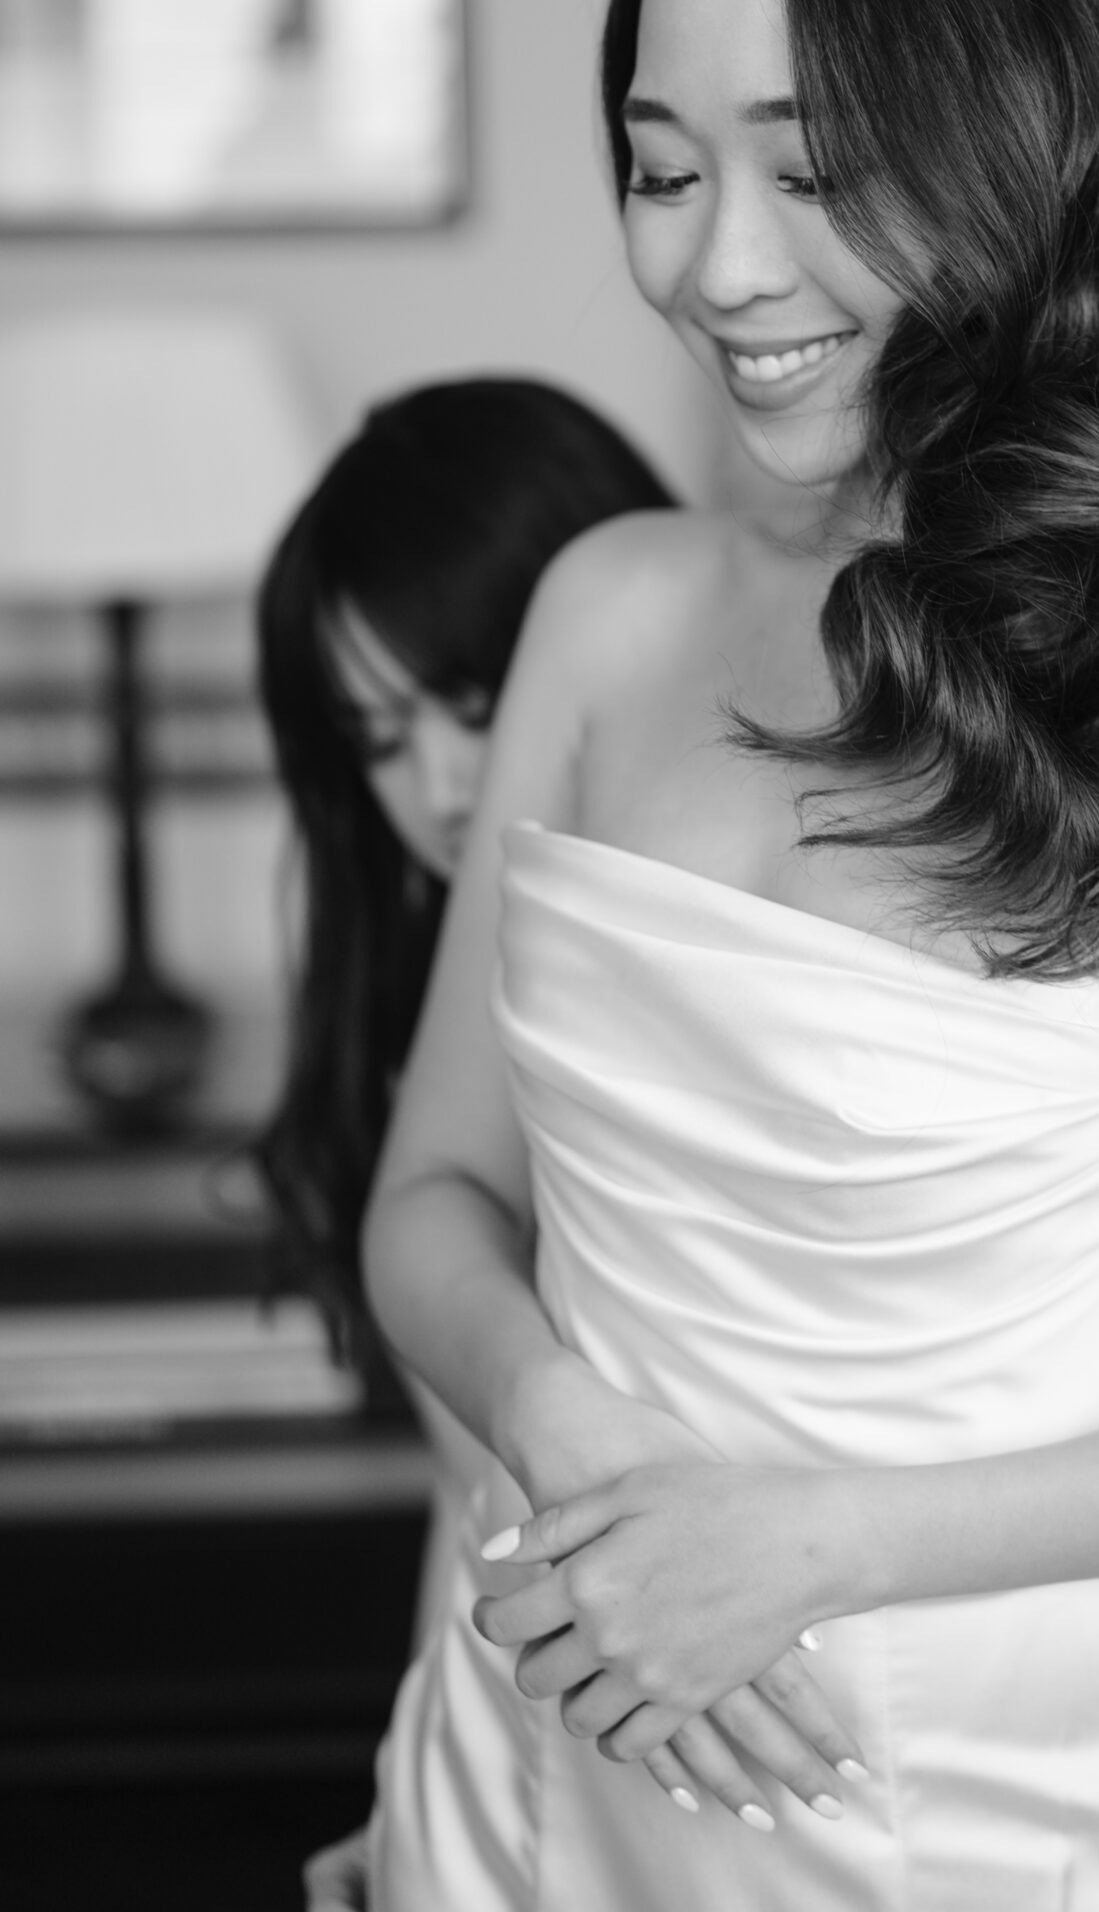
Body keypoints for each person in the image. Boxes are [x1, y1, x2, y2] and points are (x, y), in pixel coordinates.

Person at [360, 0, 1099, 1909]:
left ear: (1027, 167)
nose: (711, 262)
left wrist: (804, 1544)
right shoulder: (605, 613)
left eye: (816, 170)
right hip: (533, 1739)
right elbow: (436, 1191)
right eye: (657, 166)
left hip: (953, 1788)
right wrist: (574, 1447)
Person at [249, 375, 675, 1909]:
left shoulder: (773, 963)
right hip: (538, 1689)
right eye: (376, 736)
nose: (436, 788)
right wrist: (419, 1780)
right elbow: (479, 1494)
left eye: (479, 711)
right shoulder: (404, 1021)